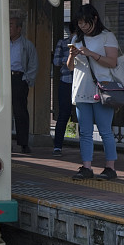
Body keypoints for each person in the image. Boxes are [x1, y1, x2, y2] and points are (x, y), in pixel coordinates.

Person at [66, 4, 119, 181]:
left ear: (95, 19)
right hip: (81, 89)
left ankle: (110, 167)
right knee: (85, 131)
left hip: (102, 89)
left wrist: (91, 54)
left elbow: (112, 62)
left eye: (85, 22)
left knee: (105, 131)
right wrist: (72, 56)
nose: (82, 26)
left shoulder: (107, 37)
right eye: (79, 22)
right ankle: (86, 167)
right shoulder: (76, 39)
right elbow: (70, 68)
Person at [9, 16, 38, 154]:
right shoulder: (2, 43)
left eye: (11, 25)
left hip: (18, 78)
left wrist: (27, 79)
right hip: (3, 79)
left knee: (20, 112)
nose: (8, 28)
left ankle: (24, 144)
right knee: (3, 112)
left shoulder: (27, 45)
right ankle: (5, 142)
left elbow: (33, 64)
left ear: (19, 29)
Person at [51, 21, 77, 156]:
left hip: (81, 84)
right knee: (63, 114)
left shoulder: (85, 45)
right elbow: (55, 61)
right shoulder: (62, 43)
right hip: (66, 81)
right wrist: (70, 58)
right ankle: (57, 146)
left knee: (83, 115)